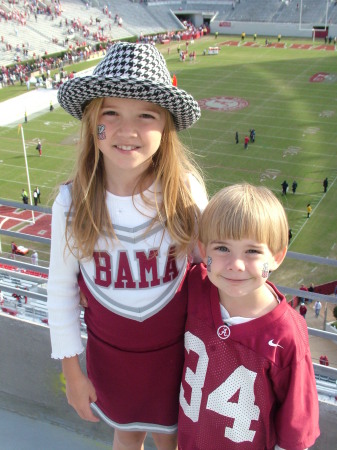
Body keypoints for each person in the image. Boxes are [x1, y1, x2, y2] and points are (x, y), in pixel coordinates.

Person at [47, 42, 208, 450]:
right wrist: (73, 372)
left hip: (178, 358)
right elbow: (60, 292)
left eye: (146, 115)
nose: (127, 129)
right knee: (126, 433)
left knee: (173, 439)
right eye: (111, 113)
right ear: (91, 123)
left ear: (166, 127)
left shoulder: (185, 191)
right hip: (112, 358)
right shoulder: (71, 201)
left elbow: (213, 272)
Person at [178, 183, 320, 450]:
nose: (236, 264)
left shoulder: (287, 334)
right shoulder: (195, 286)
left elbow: (295, 431)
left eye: (252, 251)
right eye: (222, 249)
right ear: (203, 249)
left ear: (277, 257)